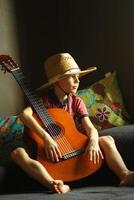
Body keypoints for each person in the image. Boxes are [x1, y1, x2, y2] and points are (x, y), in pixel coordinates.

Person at [10, 53, 134, 194]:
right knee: (17, 153)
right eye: (72, 77)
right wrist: (46, 137)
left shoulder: (76, 101)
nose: (77, 81)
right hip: (51, 157)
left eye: (78, 77)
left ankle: (125, 175)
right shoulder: (41, 101)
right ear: (57, 81)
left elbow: (90, 128)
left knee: (107, 139)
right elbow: (24, 115)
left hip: (75, 152)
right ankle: (54, 184)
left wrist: (93, 141)